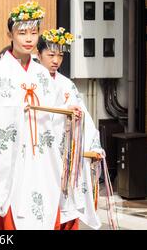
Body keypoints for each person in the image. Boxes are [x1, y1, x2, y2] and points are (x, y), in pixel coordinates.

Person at [0, 1, 83, 230]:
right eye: (22, 33)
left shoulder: (43, 76)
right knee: (14, 212)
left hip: (42, 160)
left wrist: (66, 115)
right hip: (11, 159)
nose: (29, 39)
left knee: (44, 206)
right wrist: (13, 112)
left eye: (33, 33)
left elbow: (53, 119)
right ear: (10, 34)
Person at [37, 28, 105, 230]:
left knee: (67, 204)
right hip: (43, 153)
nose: (56, 60)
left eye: (60, 55)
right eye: (50, 55)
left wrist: (94, 144)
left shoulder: (67, 84)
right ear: (38, 54)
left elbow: (84, 116)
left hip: (67, 154)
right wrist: (63, 111)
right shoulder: (33, 81)